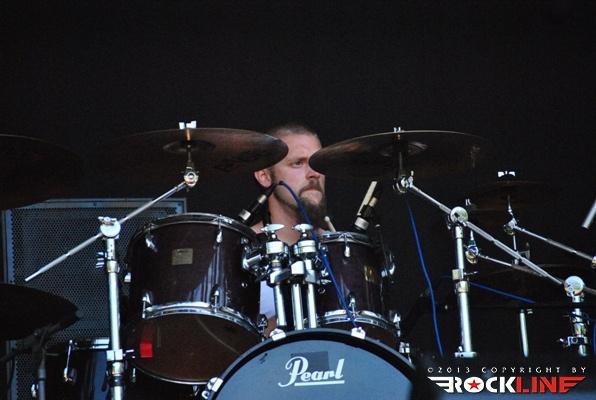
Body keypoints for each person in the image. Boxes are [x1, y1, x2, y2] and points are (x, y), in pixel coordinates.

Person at [251, 123, 329, 331]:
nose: (314, 173)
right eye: (298, 163)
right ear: (264, 176)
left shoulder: (343, 250)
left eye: (318, 163)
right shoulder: (240, 252)